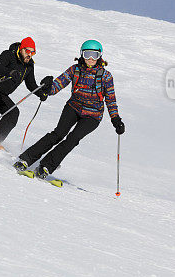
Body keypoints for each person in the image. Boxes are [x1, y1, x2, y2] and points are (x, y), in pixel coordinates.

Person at [13, 39, 125, 178]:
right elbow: (58, 84)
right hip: (73, 107)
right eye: (87, 54)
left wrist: (116, 119)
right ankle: (26, 159)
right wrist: (47, 87)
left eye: (94, 55)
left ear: (100, 56)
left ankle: (47, 166)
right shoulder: (75, 69)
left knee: (73, 139)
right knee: (58, 134)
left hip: (93, 116)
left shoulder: (106, 76)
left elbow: (111, 100)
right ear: (81, 54)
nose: (90, 58)